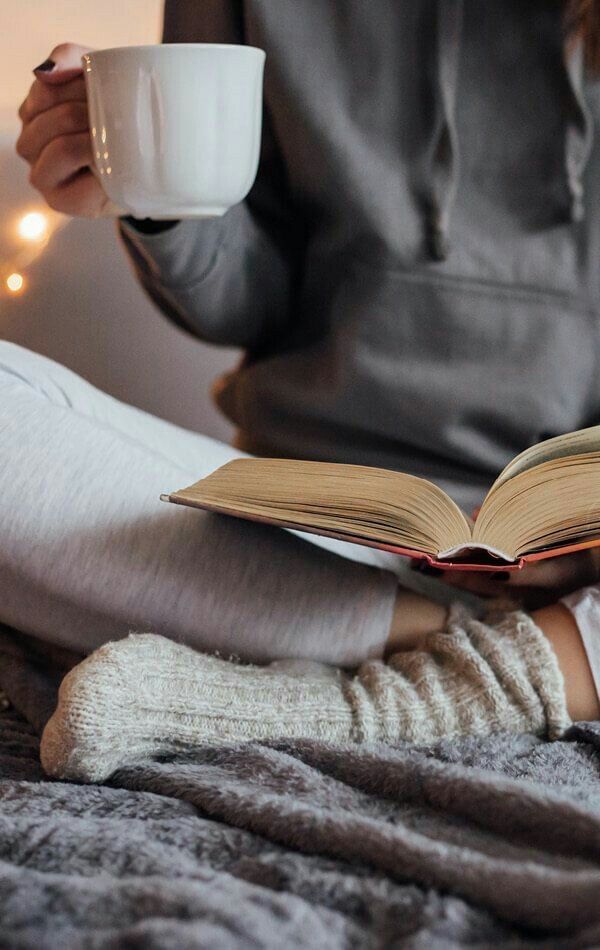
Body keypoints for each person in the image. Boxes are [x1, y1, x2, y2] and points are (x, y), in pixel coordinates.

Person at [7, 1, 600, 781]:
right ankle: (455, 645)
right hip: (301, 526)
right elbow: (251, 301)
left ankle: (377, 690)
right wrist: (153, 189)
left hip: (566, 558)